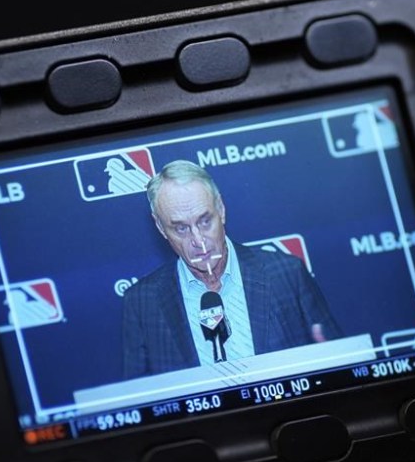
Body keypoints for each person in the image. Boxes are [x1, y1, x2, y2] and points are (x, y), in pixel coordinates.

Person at [121, 160, 342, 378]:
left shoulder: (286, 274)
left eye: (205, 221)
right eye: (181, 228)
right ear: (160, 227)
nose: (198, 240)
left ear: (221, 209)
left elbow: (340, 366)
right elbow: (141, 394)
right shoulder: (142, 303)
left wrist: (331, 365)